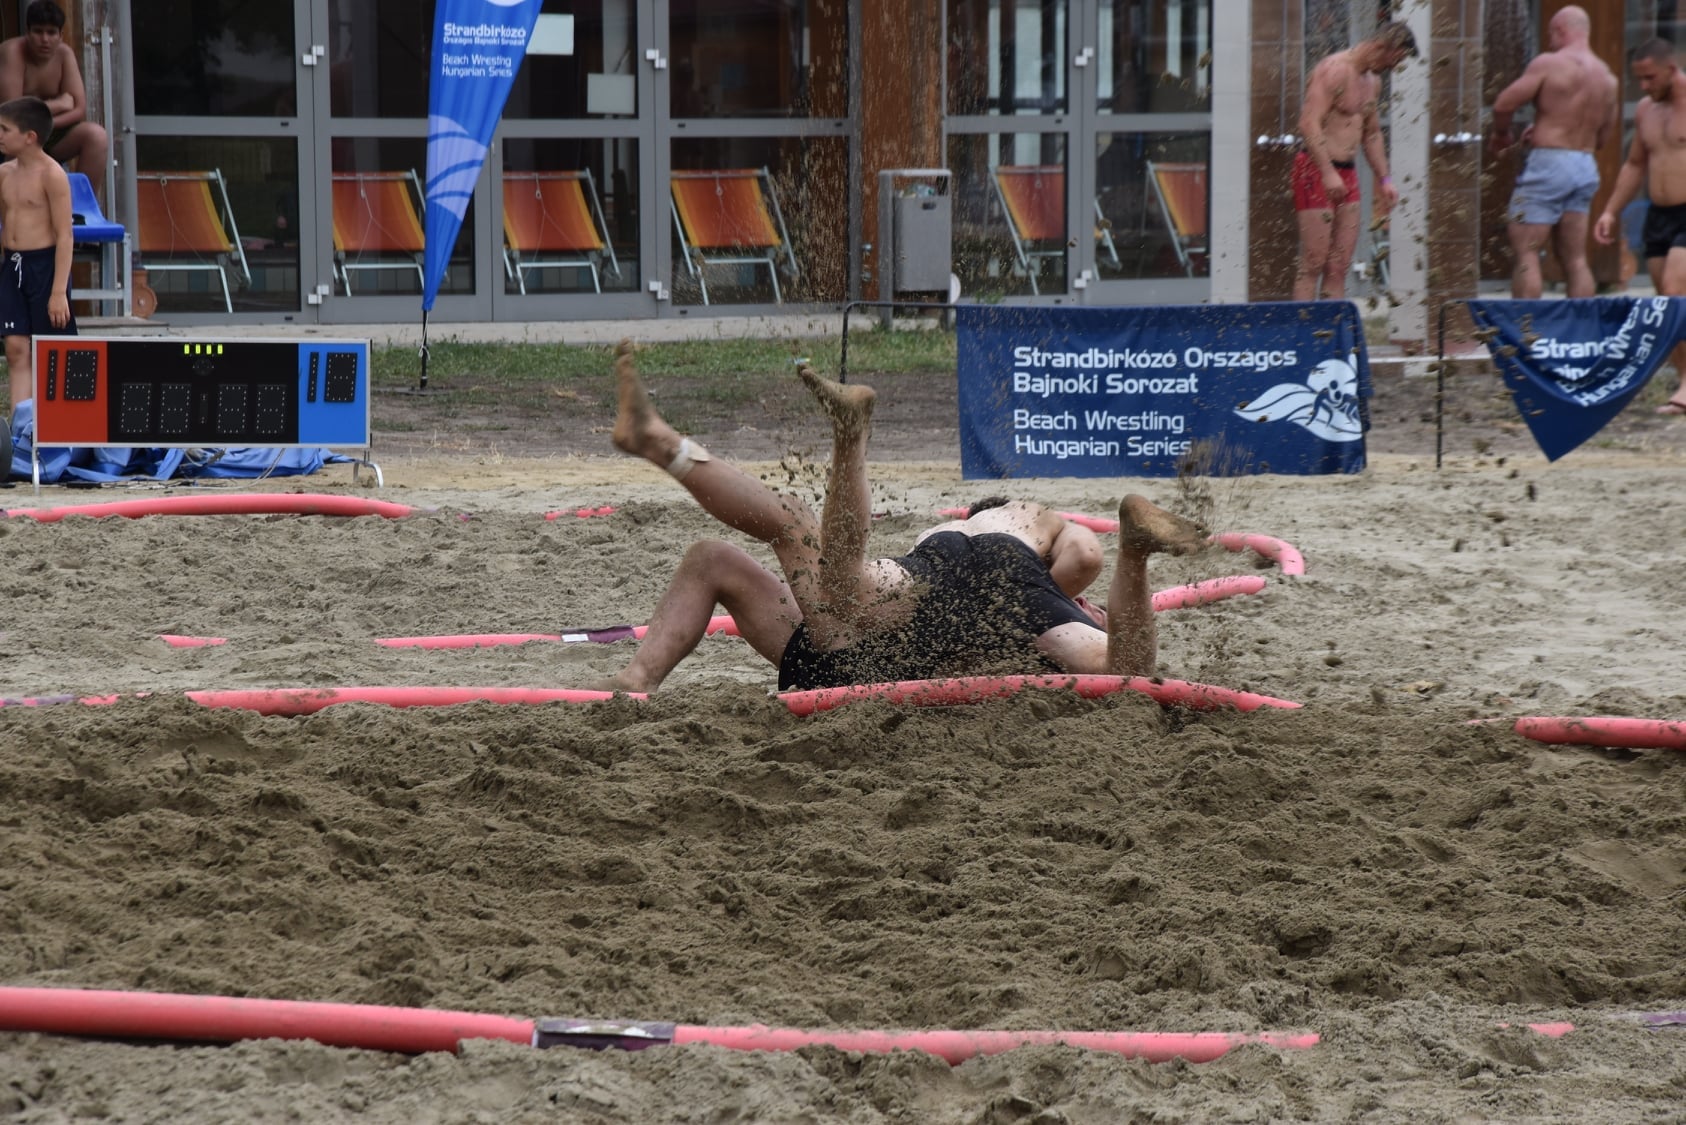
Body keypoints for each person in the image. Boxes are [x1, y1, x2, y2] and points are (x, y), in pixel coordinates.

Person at [597, 341, 1207, 693]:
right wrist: (1060, 605)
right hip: (978, 602)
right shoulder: (1029, 526)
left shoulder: (949, 534)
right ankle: (1135, 551)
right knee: (1128, 672)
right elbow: (1085, 558)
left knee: (809, 560)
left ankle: (637, 677)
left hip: (853, 642)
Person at [1490, 5, 1619, 299]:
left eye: (1551, 35)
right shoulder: (1608, 78)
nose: (1549, 43)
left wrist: (1501, 134)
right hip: (1585, 165)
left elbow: (1503, 104)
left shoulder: (1549, 64)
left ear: (1561, 30)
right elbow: (1602, 139)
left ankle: (1524, 326)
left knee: (1527, 253)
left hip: (1549, 163)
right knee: (1575, 259)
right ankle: (1580, 328)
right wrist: (1548, 129)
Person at [1293, 21, 1419, 301]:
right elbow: (1308, 124)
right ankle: (1302, 326)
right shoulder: (1334, 70)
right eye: (1395, 59)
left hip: (1348, 173)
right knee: (1313, 261)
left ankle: (1329, 327)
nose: (1394, 67)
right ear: (1381, 47)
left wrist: (1385, 178)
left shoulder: (1373, 81)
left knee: (1339, 266)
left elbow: (1371, 133)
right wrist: (1327, 172)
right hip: (1315, 168)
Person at [1593, 37, 1686, 415]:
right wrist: (1610, 211)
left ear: (1671, 69)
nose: (1644, 87)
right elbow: (1634, 165)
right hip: (1659, 216)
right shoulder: (1647, 110)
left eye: (1650, 78)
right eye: (1640, 79)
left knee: (1675, 290)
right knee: (1666, 304)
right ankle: (1684, 379)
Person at [0, 95, 76, 416]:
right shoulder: (4, 172)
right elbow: (6, 221)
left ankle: (54, 424)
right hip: (13, 265)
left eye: (5, 129)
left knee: (51, 352)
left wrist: (58, 292)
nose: (0, 135)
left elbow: (65, 235)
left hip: (45, 268)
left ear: (29, 136)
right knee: (16, 348)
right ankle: (21, 427)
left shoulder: (52, 174)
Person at [0, 2, 109, 193]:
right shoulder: (12, 51)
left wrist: (44, 125)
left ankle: (82, 204)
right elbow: (13, 112)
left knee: (96, 136)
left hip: (49, 133)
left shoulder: (64, 54)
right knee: (15, 137)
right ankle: (12, 202)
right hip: (11, 134)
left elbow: (79, 109)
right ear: (27, 32)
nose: (45, 39)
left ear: (60, 35)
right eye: (38, 31)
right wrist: (58, 104)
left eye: (51, 33)